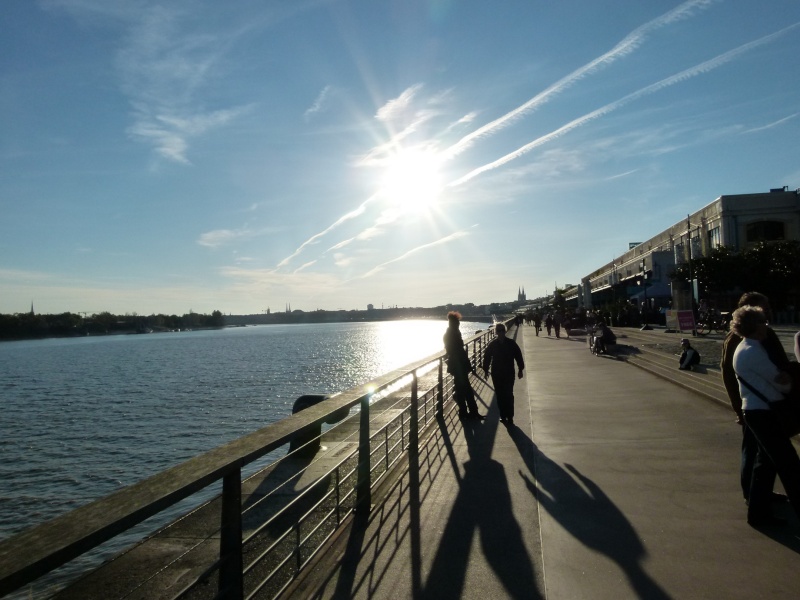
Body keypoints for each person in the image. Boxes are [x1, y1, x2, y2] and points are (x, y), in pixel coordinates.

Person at [731, 305, 800, 527]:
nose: (766, 326)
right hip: (764, 412)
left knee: (766, 464)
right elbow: (782, 384)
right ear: (754, 325)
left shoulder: (746, 348)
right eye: (763, 322)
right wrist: (789, 382)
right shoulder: (754, 351)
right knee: (789, 465)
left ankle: (758, 515)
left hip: (756, 410)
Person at [720, 292, 790, 505]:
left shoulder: (764, 333)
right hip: (755, 404)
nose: (767, 310)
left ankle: (760, 494)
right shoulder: (738, 338)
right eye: (763, 307)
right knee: (753, 452)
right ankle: (752, 494)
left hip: (765, 401)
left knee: (763, 455)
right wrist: (737, 407)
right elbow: (729, 374)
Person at [443, 311, 484, 420]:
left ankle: (466, 412)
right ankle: (470, 412)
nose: (458, 324)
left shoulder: (452, 332)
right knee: (465, 390)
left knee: (462, 390)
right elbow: (454, 350)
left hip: (458, 365)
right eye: (457, 322)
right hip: (459, 366)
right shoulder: (452, 333)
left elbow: (450, 350)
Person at [482, 323, 525, 425]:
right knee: (500, 396)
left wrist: (520, 369)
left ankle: (510, 417)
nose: (501, 332)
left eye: (502, 330)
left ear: (505, 331)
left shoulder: (511, 343)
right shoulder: (493, 344)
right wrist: (485, 370)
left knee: (509, 395)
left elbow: (518, 356)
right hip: (496, 374)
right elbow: (487, 357)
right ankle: (503, 416)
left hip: (509, 373)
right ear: (496, 332)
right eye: (499, 331)